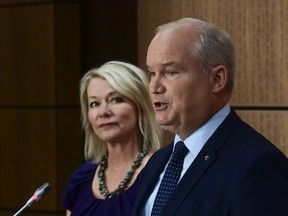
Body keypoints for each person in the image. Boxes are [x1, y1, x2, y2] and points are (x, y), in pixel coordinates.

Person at [132, 17, 288, 216]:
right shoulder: (158, 161)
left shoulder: (257, 164)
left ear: (217, 79)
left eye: (170, 72)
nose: (154, 87)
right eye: (152, 73)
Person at [62, 61, 161, 216]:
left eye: (116, 100)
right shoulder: (81, 179)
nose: (103, 112)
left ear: (140, 106)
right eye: (94, 103)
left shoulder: (162, 173)